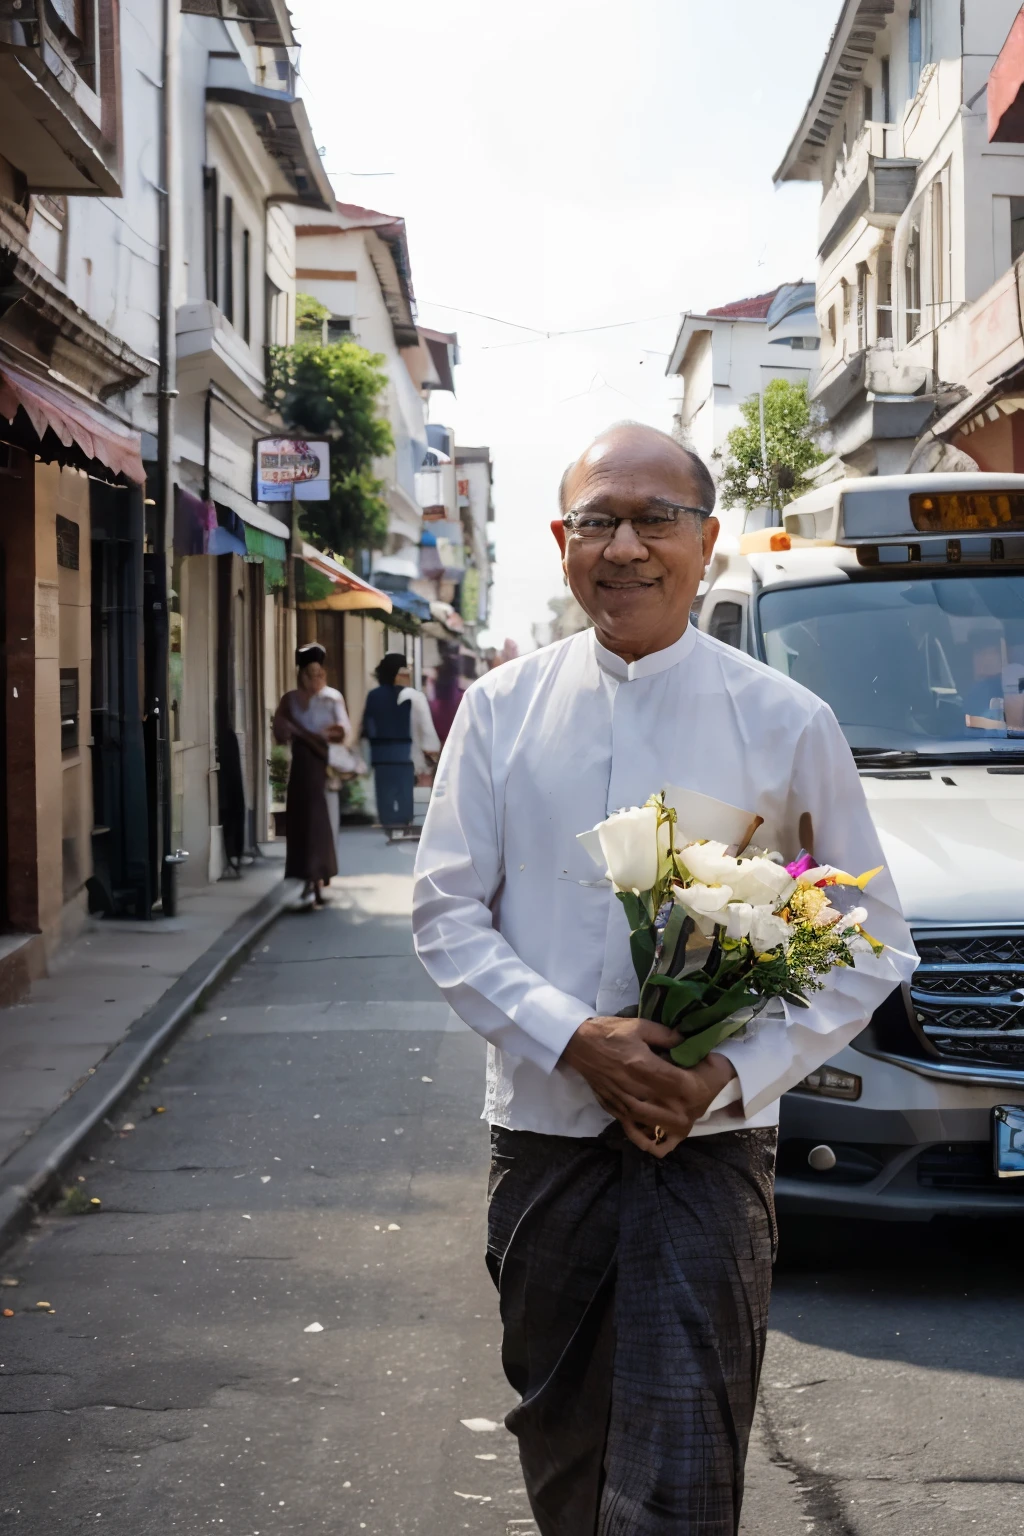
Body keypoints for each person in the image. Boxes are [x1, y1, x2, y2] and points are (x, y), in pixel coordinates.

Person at [411, 424, 915, 1535]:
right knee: (559, 1437)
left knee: (688, 1458)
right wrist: (571, 1036)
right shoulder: (498, 713)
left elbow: (872, 937)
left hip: (712, 1146)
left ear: (706, 540)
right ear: (560, 541)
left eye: (654, 519)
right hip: (544, 1137)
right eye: (597, 520)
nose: (624, 546)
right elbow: (446, 915)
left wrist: (729, 1074)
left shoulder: (785, 720)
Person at [272, 643, 349, 908]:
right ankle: (306, 877)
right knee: (301, 823)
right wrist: (294, 732)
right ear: (301, 674)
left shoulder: (332, 698)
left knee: (321, 824)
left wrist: (309, 735)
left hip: (323, 768)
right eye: (309, 674)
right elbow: (280, 732)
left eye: (319, 673)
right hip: (301, 770)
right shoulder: (291, 699)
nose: (314, 679)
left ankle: (318, 876)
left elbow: (342, 732)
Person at [360, 653, 421, 830]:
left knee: (384, 796)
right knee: (404, 794)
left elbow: (368, 725)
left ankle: (389, 826)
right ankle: (403, 824)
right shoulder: (411, 696)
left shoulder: (374, 695)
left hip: (381, 753)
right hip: (404, 752)